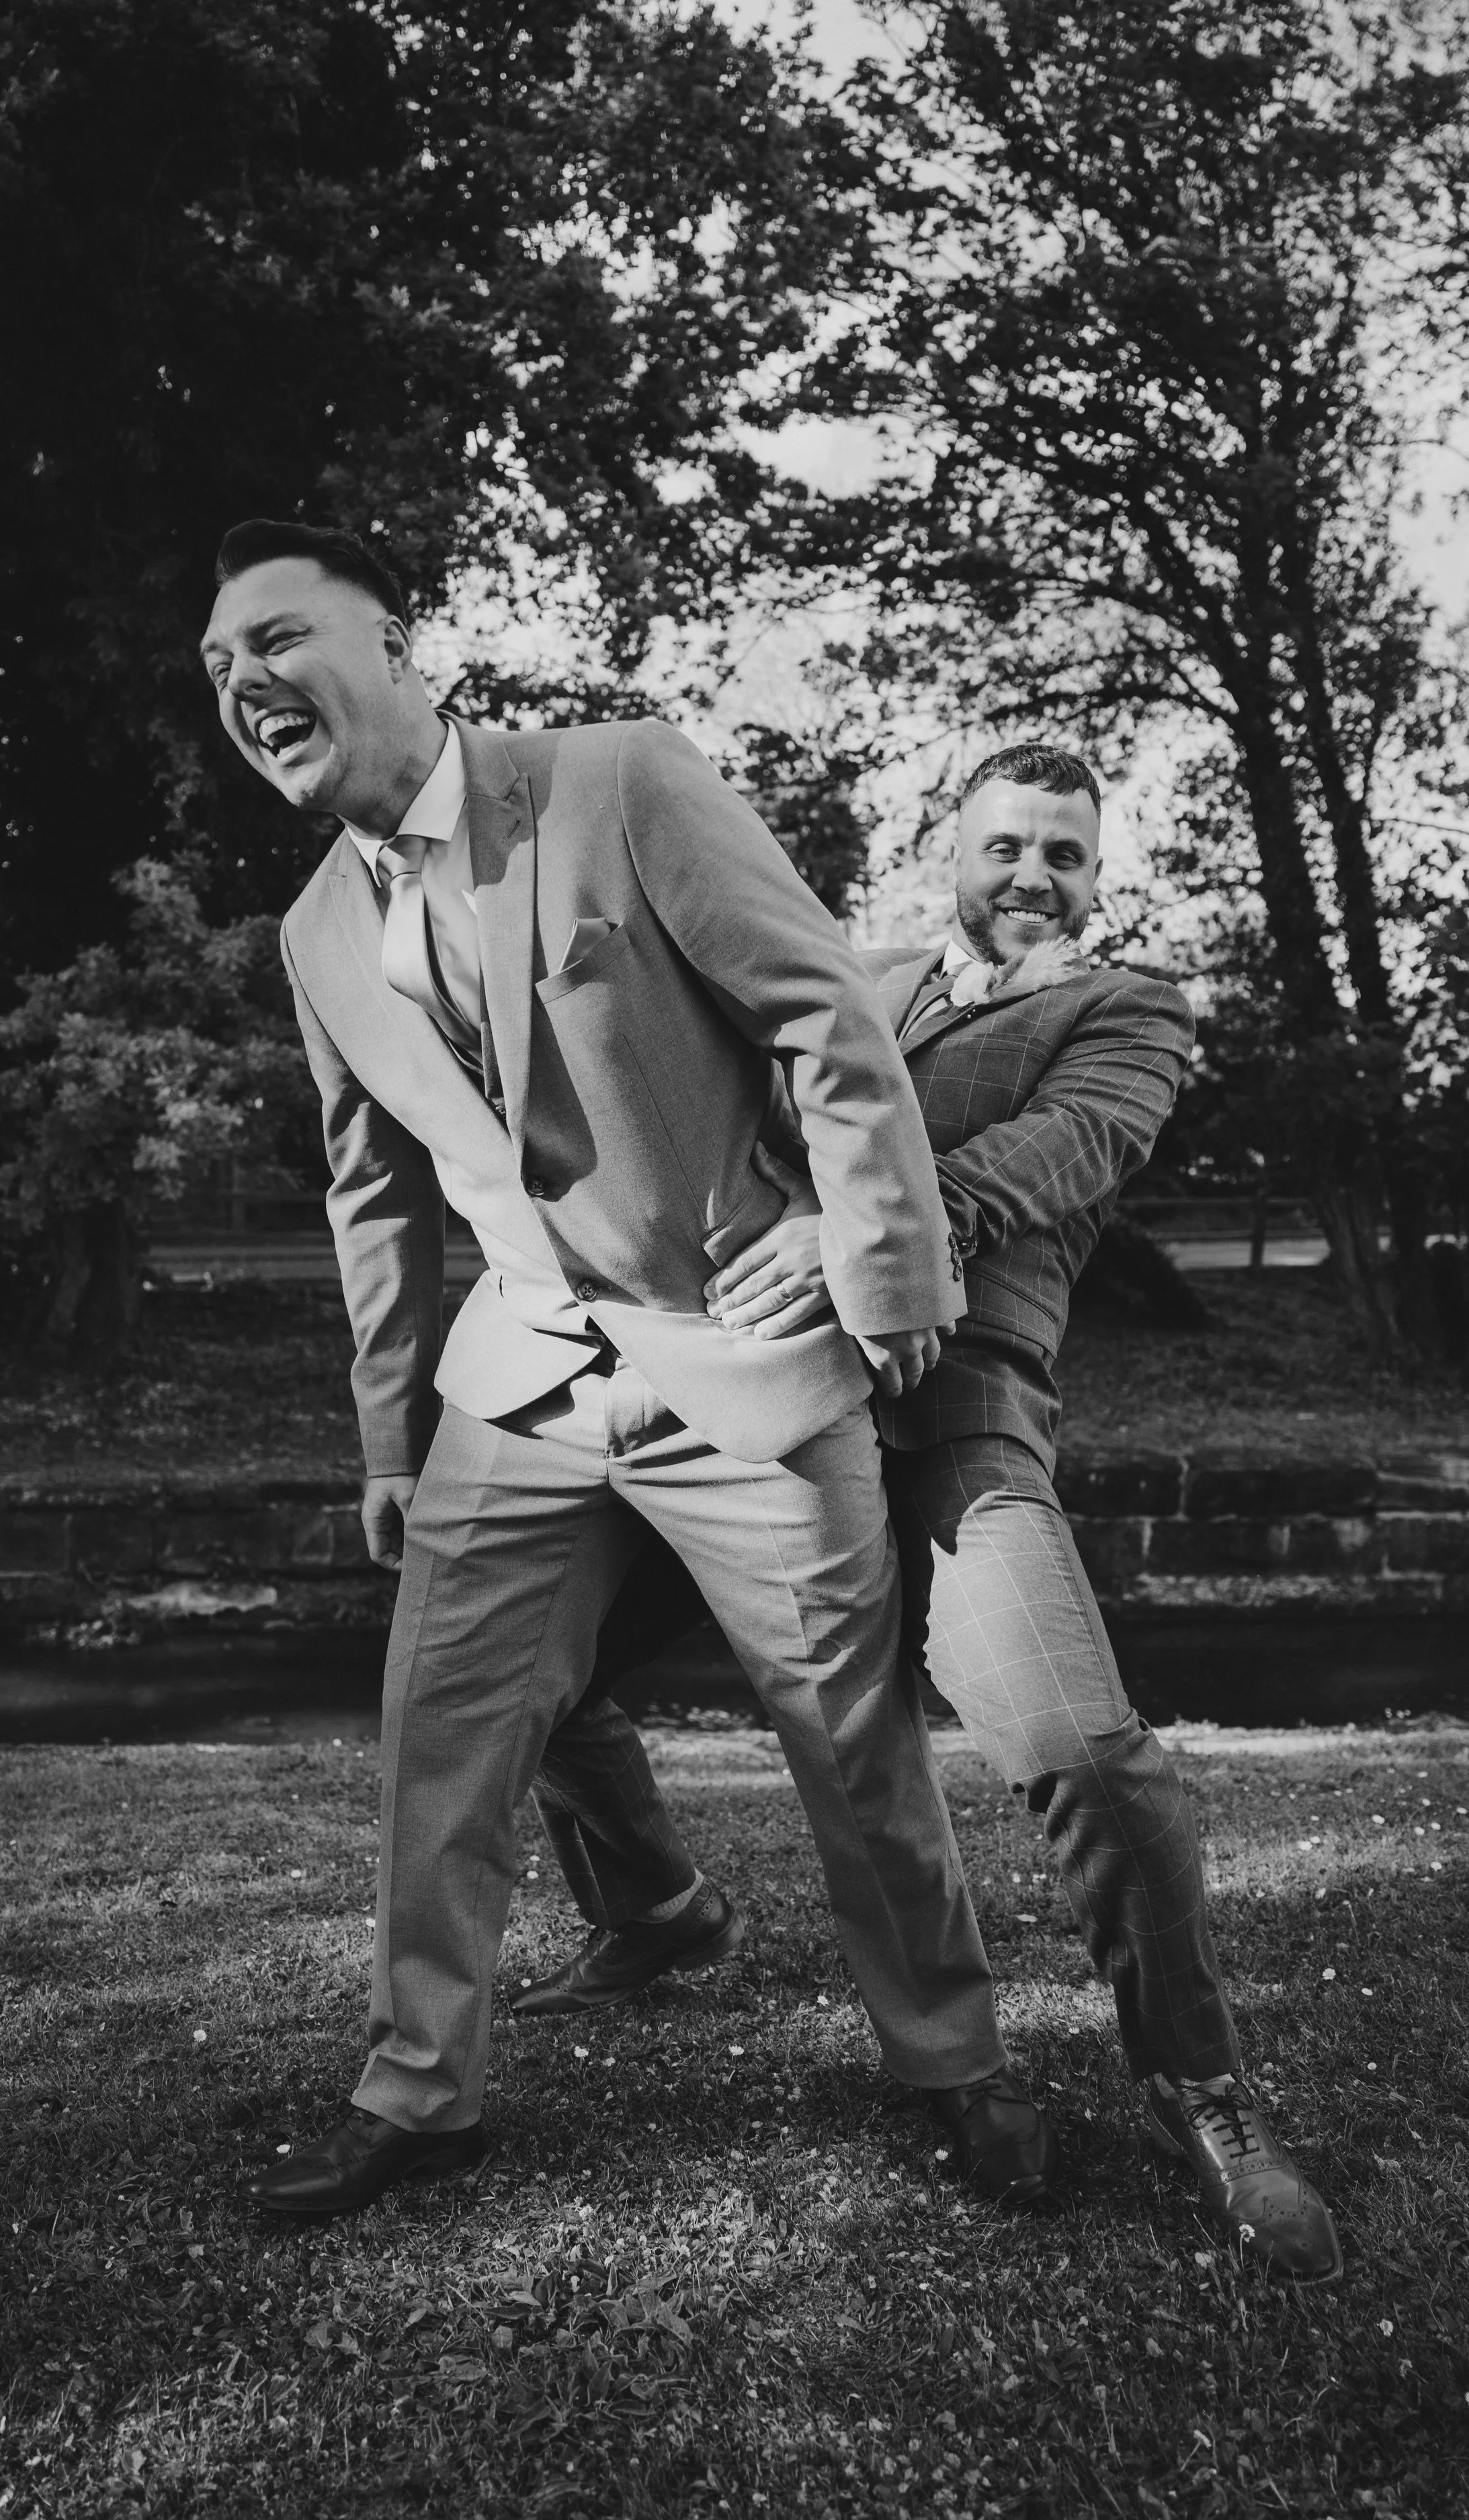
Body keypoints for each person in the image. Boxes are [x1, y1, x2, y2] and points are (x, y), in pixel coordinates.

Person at [196, 517, 1046, 2222]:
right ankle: (422, 2093)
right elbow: (374, 1194)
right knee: (441, 1733)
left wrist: (885, 1268)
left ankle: (950, 2060)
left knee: (845, 1735)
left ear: (394, 641)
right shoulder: (308, 934)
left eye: (278, 640)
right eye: (219, 670)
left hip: (745, 1350)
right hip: (512, 1384)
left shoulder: (613, 781)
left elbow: (827, 1016)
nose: (246, 683)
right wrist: (384, 1438)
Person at [536, 743, 1344, 2284]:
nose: (1030, 874)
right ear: (946, 854)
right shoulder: (858, 974)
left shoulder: (1124, 1010)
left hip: (952, 1414)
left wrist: (863, 1238)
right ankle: (652, 1906)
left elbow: (1059, 1155)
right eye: (1003, 846)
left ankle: (1200, 2092)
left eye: (1062, 852)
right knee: (532, 1666)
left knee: (1089, 1760)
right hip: (750, 1398)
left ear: (1096, 876)